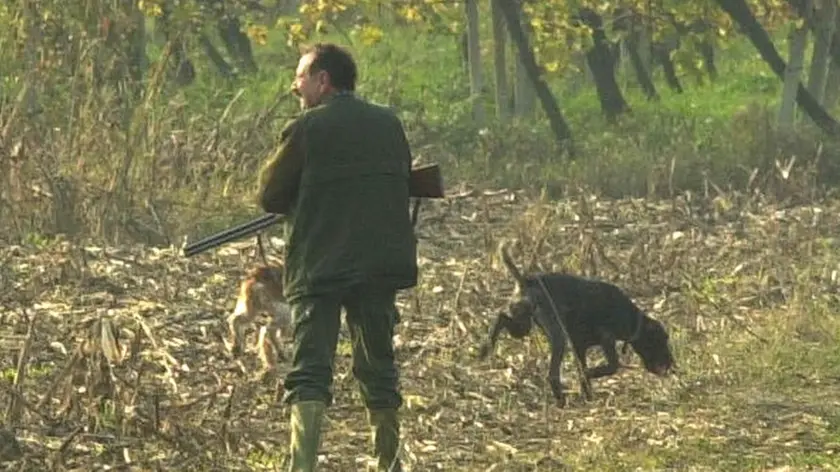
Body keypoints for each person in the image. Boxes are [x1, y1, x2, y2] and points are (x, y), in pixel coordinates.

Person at [257, 42, 418, 472]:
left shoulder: (307, 129)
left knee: (309, 372)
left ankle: (301, 467)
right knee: (379, 369)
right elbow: (402, 178)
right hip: (378, 268)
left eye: (301, 77)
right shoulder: (388, 123)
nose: (296, 86)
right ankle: (390, 464)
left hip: (320, 269)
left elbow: (269, 194)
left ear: (323, 81)